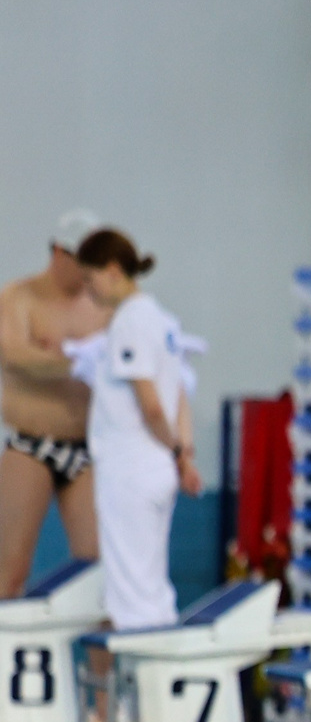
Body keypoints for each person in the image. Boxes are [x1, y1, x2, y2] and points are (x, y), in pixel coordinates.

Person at [73, 230, 200, 632]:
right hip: (153, 468)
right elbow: (178, 393)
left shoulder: (130, 322)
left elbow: (151, 406)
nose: (89, 293)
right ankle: (158, 686)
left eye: (90, 281)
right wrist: (183, 454)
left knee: (132, 601)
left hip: (132, 469)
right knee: (151, 591)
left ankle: (152, 690)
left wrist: (178, 451)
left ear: (112, 272)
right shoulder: (161, 319)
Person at [0, 210, 107, 596]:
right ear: (59, 253)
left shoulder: (103, 305)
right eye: (85, 263)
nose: (90, 275)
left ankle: (104, 660)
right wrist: (77, 360)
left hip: (88, 448)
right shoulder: (19, 297)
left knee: (100, 571)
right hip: (31, 444)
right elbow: (14, 356)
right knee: (10, 570)